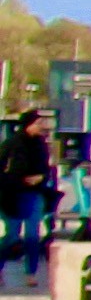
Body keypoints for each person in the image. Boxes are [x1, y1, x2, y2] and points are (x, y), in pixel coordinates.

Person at [0, 108, 52, 283]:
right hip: (13, 194)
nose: (41, 126)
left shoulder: (41, 144)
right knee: (11, 236)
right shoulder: (12, 143)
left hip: (34, 193)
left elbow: (46, 168)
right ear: (28, 125)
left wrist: (41, 178)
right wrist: (16, 180)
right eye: (38, 123)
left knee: (32, 235)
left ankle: (31, 273)